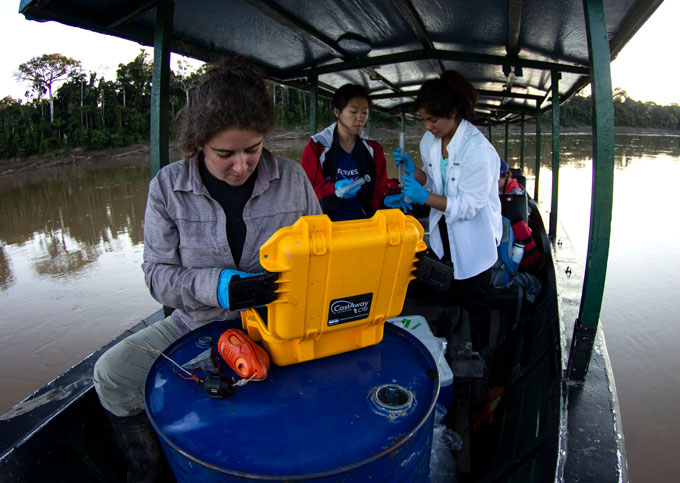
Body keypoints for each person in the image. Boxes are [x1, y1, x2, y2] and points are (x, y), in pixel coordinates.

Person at [93, 57, 322, 481]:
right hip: (195, 322)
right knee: (112, 374)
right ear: (199, 142)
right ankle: (149, 469)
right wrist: (215, 287)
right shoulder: (167, 187)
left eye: (252, 149)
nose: (241, 165)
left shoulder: (292, 178)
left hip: (281, 323)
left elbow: (322, 255)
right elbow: (157, 276)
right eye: (224, 154)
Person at [395, 70, 502, 352]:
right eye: (424, 120)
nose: (428, 126)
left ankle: (480, 353)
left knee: (476, 300)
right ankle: (443, 344)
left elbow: (468, 206)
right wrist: (413, 171)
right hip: (442, 234)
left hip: (473, 239)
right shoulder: (429, 142)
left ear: (453, 112)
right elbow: (432, 183)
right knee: (444, 292)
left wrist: (424, 195)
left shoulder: (478, 151)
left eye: (433, 119)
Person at [301, 83, 411, 220]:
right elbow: (306, 193)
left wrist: (386, 200)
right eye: (353, 112)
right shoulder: (317, 146)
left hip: (365, 223)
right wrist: (334, 189)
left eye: (364, 112)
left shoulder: (374, 149)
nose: (360, 118)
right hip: (326, 227)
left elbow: (378, 191)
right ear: (337, 112)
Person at [498, 160, 542, 272]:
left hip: (518, 245)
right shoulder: (500, 189)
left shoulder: (514, 193)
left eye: (497, 178)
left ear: (506, 176)